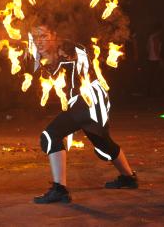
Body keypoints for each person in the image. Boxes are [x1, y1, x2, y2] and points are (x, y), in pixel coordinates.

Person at [28, 24, 138, 204]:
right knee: (103, 144)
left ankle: (60, 189)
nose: (39, 40)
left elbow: (79, 60)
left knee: (50, 136)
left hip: (88, 100)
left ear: (54, 34)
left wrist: (55, 56)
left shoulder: (68, 48)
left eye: (43, 35)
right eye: (35, 36)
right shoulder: (45, 54)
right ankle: (129, 178)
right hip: (84, 102)